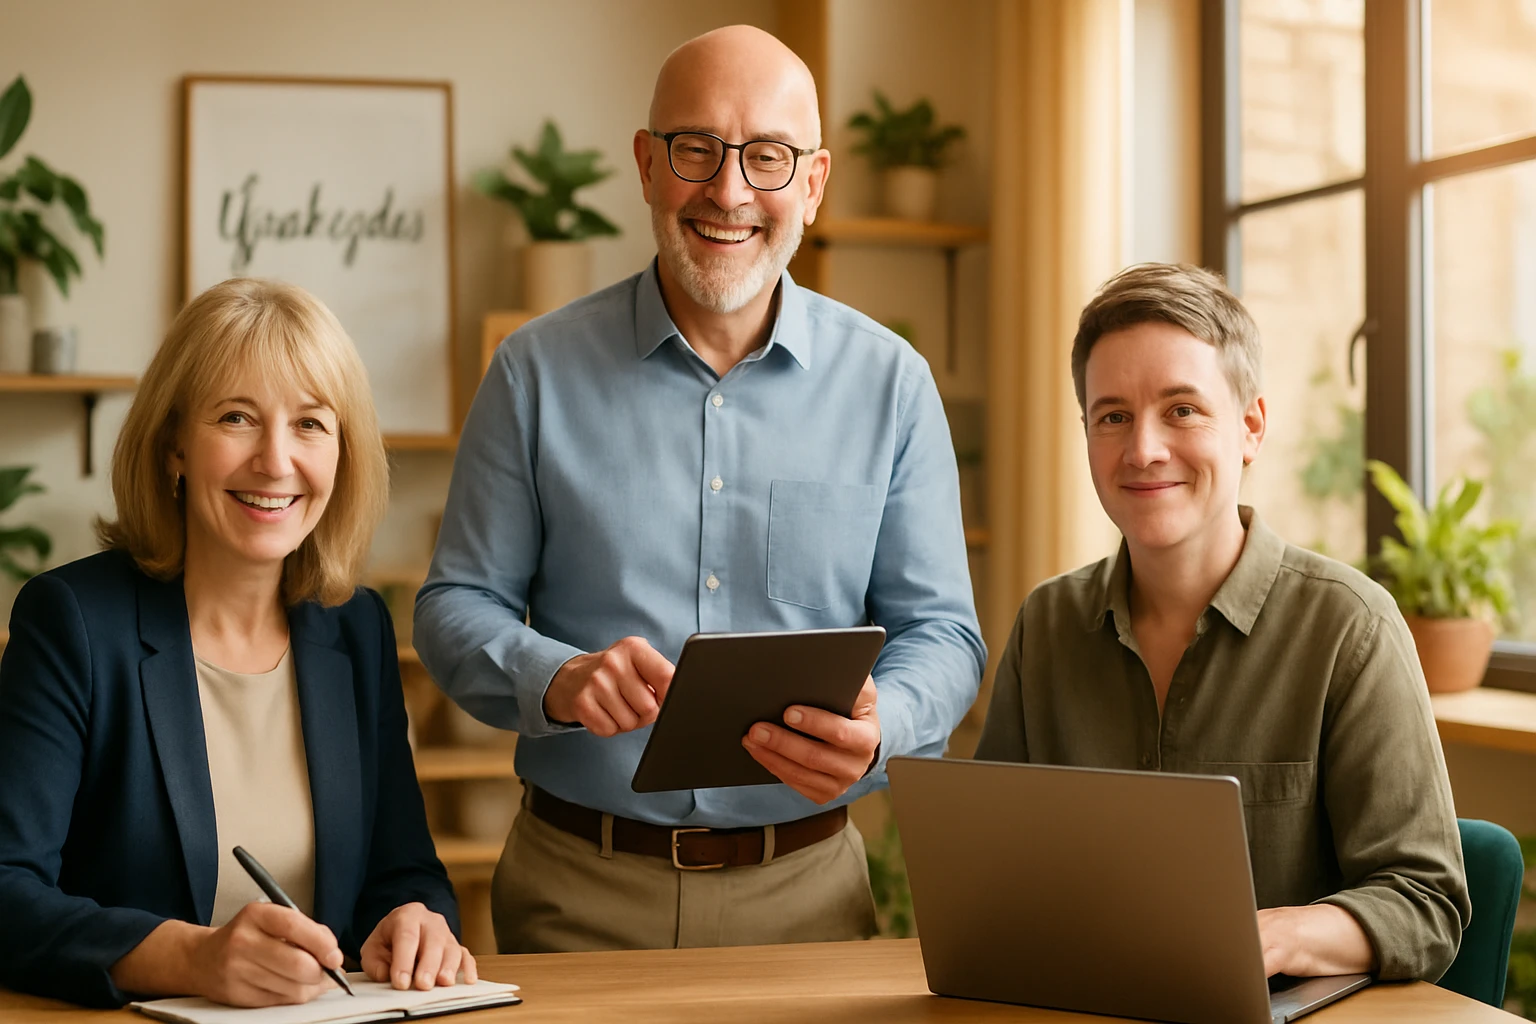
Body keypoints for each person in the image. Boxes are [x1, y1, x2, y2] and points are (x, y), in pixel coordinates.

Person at [415, 24, 984, 953]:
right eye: (696, 151)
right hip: (574, 895)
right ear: (646, 165)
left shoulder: (893, 384)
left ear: (814, 182)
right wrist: (555, 679)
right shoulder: (531, 372)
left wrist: (889, 721)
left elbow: (945, 635)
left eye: (767, 157)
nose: (729, 192)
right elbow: (453, 607)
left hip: (809, 901)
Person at [975, 263, 1469, 981]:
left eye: (1181, 409)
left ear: (1250, 428)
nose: (1143, 449)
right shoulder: (1047, 623)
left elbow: (1425, 905)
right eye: (1113, 416)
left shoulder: (1350, 628)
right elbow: (993, 867)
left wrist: (1266, 938)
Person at [0, 279, 475, 1007]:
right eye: (237, 418)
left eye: (311, 424)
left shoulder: (357, 627)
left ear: (343, 453)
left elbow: (403, 867)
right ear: (173, 448)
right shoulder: (73, 622)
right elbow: (7, 889)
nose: (276, 461)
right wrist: (188, 959)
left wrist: (417, 920)